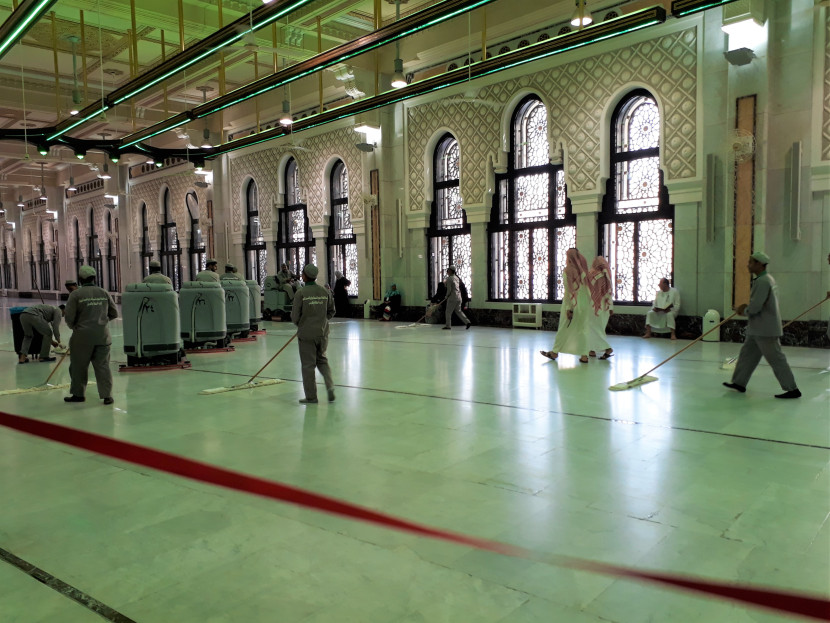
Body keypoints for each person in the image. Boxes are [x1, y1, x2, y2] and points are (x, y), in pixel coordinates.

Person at [723, 251, 801, 399]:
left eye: (751, 262)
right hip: (758, 328)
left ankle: (792, 389)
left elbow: (756, 306)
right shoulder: (767, 279)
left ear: (759, 264)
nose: (748, 265)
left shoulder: (763, 281)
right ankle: (739, 383)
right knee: (747, 355)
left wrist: (743, 310)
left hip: (765, 330)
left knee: (776, 359)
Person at [64, 265, 119, 405]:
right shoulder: (104, 292)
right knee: (103, 366)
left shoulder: (75, 295)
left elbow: (69, 318)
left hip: (82, 337)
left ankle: (78, 394)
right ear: (94, 278)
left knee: (78, 366)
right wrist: (101, 323)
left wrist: (76, 327)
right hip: (102, 336)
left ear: (80, 279)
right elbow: (114, 313)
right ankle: (107, 396)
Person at [291, 264, 336, 404]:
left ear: (304, 276)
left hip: (306, 334)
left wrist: (302, 324)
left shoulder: (301, 293)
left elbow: (294, 316)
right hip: (322, 333)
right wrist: (321, 321)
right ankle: (330, 386)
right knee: (322, 360)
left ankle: (311, 397)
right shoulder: (325, 291)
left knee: (308, 365)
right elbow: (332, 311)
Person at [540, 248, 590, 362]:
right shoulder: (583, 271)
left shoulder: (568, 270)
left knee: (563, 328)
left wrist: (569, 308)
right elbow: (587, 289)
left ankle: (554, 352)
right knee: (583, 330)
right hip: (584, 304)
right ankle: (584, 355)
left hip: (573, 303)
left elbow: (569, 291)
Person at [586, 256, 614, 360]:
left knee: (592, 328)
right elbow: (609, 294)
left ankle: (607, 348)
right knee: (599, 329)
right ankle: (591, 349)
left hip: (593, 306)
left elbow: (587, 291)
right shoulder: (607, 276)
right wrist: (611, 307)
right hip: (605, 307)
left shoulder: (592, 274)